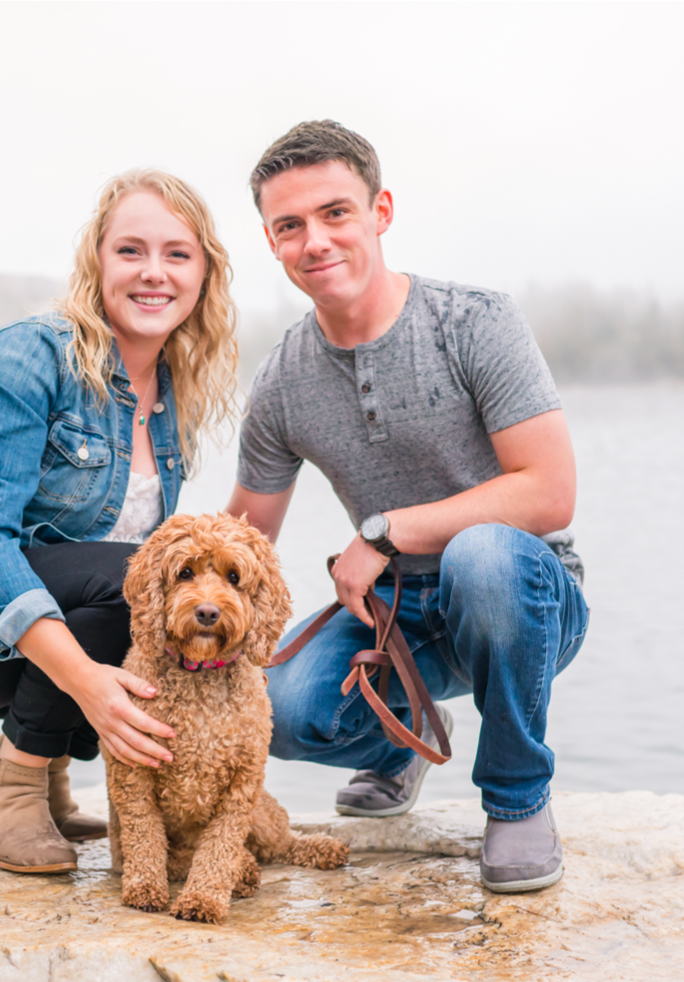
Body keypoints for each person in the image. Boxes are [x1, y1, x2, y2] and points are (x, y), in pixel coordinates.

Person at [226, 121, 589, 893]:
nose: (315, 241)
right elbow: (241, 540)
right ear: (271, 242)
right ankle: (402, 741)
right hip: (392, 622)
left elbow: (550, 493)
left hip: (522, 597)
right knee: (279, 706)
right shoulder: (283, 382)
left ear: (380, 211)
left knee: (481, 556)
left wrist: (384, 533)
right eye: (290, 226)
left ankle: (518, 798)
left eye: (335, 213)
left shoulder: (476, 322)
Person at [0, 170, 239, 875]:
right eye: (131, 251)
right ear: (96, 261)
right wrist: (90, 688)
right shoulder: (30, 355)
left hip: (12, 630)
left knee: (150, 583)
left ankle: (46, 776)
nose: (153, 272)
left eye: (177, 255)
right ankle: (15, 786)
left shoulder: (171, 394)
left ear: (204, 274)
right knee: (136, 578)